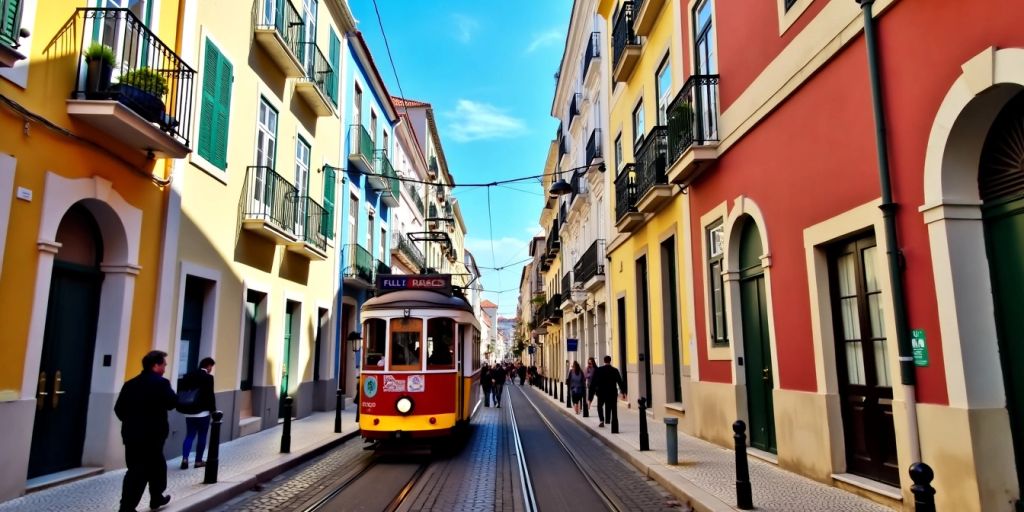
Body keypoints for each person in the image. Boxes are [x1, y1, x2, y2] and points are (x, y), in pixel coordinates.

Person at [115, 350, 177, 512]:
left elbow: (119, 409)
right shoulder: (161, 383)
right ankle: (127, 507)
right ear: (155, 365)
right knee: (141, 471)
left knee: (148, 467)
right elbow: (172, 403)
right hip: (153, 436)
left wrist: (132, 423)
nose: (165, 368)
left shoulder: (130, 384)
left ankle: (156, 497)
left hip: (132, 436)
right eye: (164, 364)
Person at [178, 357, 216, 470]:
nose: (211, 370)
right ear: (208, 366)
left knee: (189, 435)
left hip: (188, 411)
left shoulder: (188, 375)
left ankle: (185, 459)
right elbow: (210, 395)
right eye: (211, 367)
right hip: (202, 412)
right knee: (202, 436)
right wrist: (213, 410)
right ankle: (198, 461)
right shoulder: (208, 378)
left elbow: (182, 391)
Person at [593, 355, 626, 429]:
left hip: (601, 392)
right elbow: (620, 381)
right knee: (613, 407)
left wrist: (595, 391)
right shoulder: (615, 370)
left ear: (604, 361)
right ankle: (611, 421)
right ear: (610, 361)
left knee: (599, 406)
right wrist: (623, 392)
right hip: (612, 392)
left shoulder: (599, 370)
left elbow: (595, 382)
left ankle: (602, 420)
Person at [585, 357, 599, 422]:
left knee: (599, 395)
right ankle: (588, 406)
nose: (589, 364)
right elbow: (586, 375)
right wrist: (589, 374)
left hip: (596, 384)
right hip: (590, 384)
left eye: (590, 362)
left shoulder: (596, 368)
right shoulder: (588, 368)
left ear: (593, 362)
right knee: (590, 396)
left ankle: (599, 405)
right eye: (588, 362)